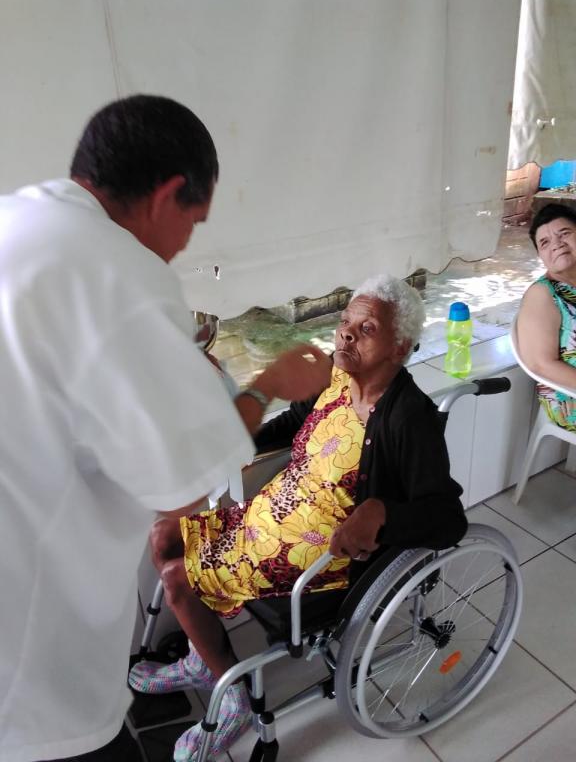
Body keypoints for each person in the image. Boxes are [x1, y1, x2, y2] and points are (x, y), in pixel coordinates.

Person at [0, 95, 333, 762]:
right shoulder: (117, 272)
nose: (184, 245)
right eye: (193, 222)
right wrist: (269, 386)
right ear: (168, 193)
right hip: (29, 657)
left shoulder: (22, 217)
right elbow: (183, 487)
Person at [128, 274, 467, 761]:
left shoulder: (407, 417)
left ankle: (233, 702)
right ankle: (204, 663)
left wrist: (379, 513)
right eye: (346, 321)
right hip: (275, 513)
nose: (346, 333)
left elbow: (447, 517)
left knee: (177, 578)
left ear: (399, 347)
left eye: (367, 328)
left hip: (323, 555)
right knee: (163, 535)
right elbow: (296, 421)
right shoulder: (338, 374)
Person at [517, 203, 576, 430]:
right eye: (545, 242)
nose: (557, 244)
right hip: (568, 397)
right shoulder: (542, 294)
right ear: (541, 255)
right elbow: (541, 364)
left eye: (565, 234)